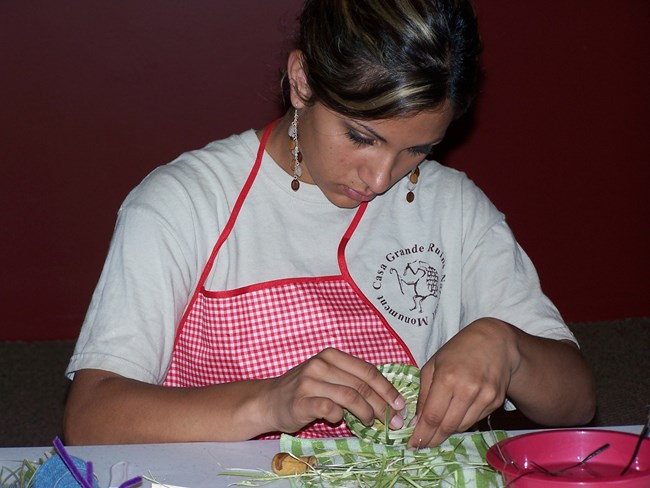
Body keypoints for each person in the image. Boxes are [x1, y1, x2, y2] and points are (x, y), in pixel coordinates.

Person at [63, 0, 596, 448]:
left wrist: (510, 347)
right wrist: (268, 402)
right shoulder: (184, 202)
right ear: (302, 81)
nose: (380, 176)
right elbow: (90, 419)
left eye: (417, 149)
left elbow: (576, 402)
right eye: (361, 137)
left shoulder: (452, 207)